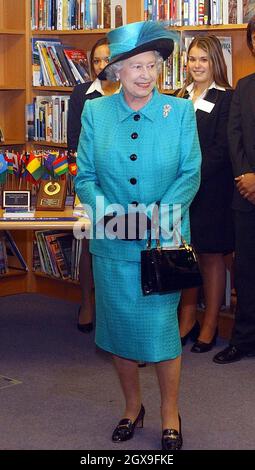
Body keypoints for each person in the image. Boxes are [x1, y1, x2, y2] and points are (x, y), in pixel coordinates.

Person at [75, 21, 201, 450]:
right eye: (135, 66)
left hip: (162, 243)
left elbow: (191, 173)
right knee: (118, 331)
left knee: (163, 333)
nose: (145, 74)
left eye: (152, 65)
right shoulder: (95, 113)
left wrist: (158, 216)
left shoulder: (180, 112)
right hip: (113, 244)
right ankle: (132, 407)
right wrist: (112, 217)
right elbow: (85, 178)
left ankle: (169, 412)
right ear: (116, 71)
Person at [176, 36, 234, 354]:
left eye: (204, 59)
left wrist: (191, 176)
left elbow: (221, 150)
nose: (197, 65)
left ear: (215, 63)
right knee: (186, 254)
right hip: (181, 192)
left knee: (211, 257)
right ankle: (187, 317)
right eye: (192, 59)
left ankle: (210, 322)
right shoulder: (177, 97)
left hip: (211, 190)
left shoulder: (226, 98)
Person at [67, 37, 120, 333]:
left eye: (107, 59)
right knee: (89, 243)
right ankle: (87, 302)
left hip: (122, 182)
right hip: (91, 181)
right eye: (97, 60)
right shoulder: (82, 94)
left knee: (120, 247)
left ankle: (115, 311)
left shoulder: (129, 92)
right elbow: (73, 141)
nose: (102, 65)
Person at [213, 16, 255, 364]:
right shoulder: (243, 86)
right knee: (246, 270)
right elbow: (234, 136)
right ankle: (243, 340)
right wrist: (246, 176)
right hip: (246, 195)